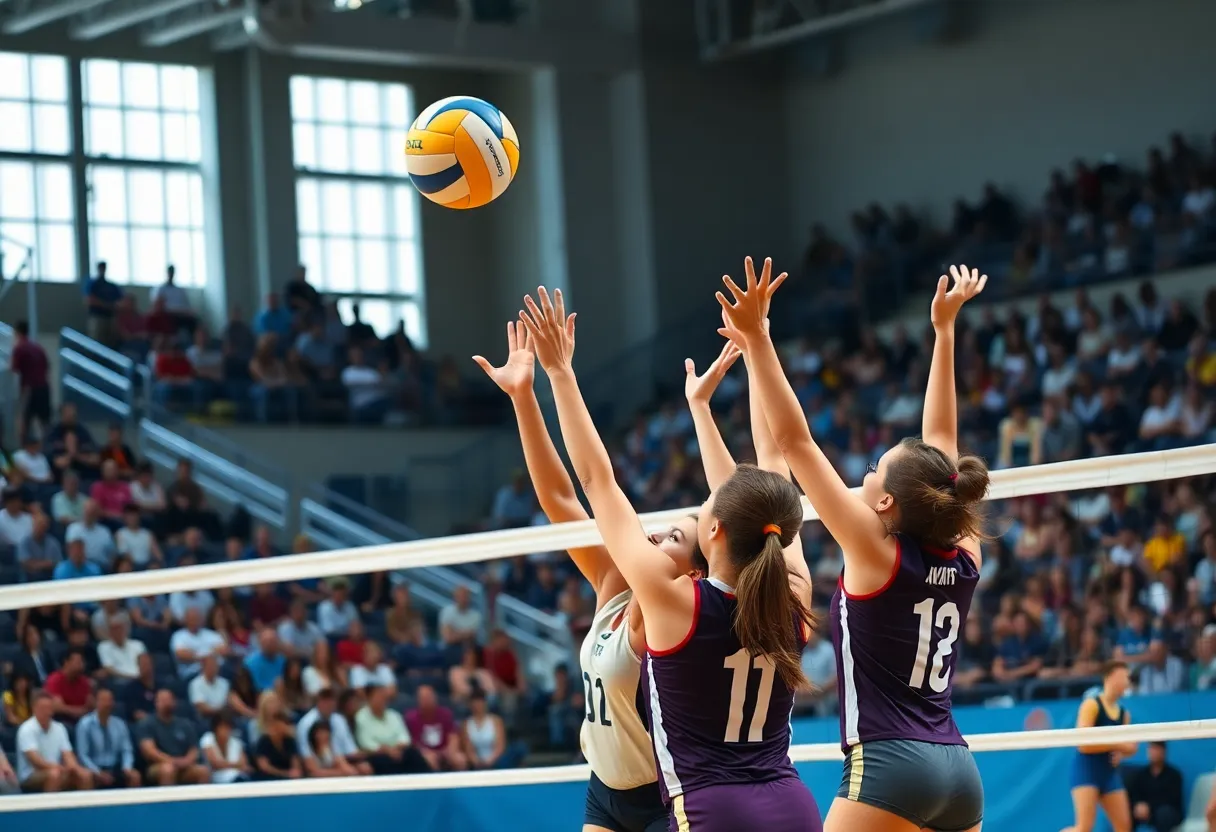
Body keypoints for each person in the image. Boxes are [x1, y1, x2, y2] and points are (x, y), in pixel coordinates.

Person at [521, 287, 820, 831]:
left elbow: (596, 480)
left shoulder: (670, 601)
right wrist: (758, 344)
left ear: (713, 536)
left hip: (713, 809)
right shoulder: (793, 591)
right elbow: (776, 463)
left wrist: (559, 371)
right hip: (789, 802)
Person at [717, 260, 989, 832]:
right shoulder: (965, 549)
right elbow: (942, 449)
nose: (865, 473)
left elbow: (793, 441)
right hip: (959, 768)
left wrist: (760, 341)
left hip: (889, 764)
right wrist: (943, 333)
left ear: (887, 503)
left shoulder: (873, 550)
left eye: (873, 469)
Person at [477, 318, 730, 832]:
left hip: (666, 793)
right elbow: (560, 499)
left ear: (696, 574)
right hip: (604, 790)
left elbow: (597, 481)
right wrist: (524, 396)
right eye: (660, 532)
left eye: (674, 539)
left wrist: (560, 372)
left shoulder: (673, 611)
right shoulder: (617, 584)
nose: (656, 539)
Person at [1063, 661, 1137, 832]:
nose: (1128, 681)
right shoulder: (1091, 705)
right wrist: (1118, 745)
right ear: (1111, 677)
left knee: (1124, 826)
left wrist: (1120, 752)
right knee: (1084, 828)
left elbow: (1132, 747)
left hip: (1108, 773)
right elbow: (1083, 744)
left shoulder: (1124, 714)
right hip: (1086, 770)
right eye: (1124, 677)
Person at [16, 692, 94, 792]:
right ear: (34, 709)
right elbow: (35, 760)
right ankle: (49, 807)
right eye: (43, 708)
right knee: (54, 774)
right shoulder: (26, 729)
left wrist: (75, 768)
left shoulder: (59, 728)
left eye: (49, 708)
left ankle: (84, 807)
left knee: (85, 775)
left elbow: (67, 754)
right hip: (31, 774)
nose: (47, 711)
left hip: (57, 769)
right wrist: (57, 767)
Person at [74, 688, 141, 789]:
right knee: (86, 777)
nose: (107, 704)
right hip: (94, 769)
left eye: (110, 700)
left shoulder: (119, 724)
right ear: (96, 702)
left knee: (135, 776)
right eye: (103, 700)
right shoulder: (85, 724)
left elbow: (126, 750)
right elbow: (83, 756)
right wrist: (97, 772)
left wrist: (127, 767)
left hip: (116, 768)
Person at [1126, 741, 1183, 832]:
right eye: (1151, 749)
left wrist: (1150, 808)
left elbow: (1172, 799)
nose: (1153, 752)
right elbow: (1135, 794)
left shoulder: (1174, 775)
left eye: (1156, 749)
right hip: (1144, 814)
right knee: (1126, 813)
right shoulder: (1141, 775)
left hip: (1166, 813)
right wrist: (1137, 806)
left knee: (1164, 813)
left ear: (1163, 752)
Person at [462, 690, 525, 770]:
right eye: (475, 702)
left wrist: (490, 761)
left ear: (485, 703)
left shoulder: (496, 721)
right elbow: (468, 749)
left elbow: (500, 746)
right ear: (470, 704)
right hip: (478, 762)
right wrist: (476, 761)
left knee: (517, 748)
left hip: (496, 760)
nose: (478, 705)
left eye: (480, 702)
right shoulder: (466, 724)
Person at [200, 711, 253, 784]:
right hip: (215, 778)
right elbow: (215, 764)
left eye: (228, 727)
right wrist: (236, 765)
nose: (226, 730)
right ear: (215, 727)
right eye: (222, 727)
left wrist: (226, 765)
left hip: (237, 776)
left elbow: (244, 763)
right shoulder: (208, 739)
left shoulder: (236, 742)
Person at [253, 708, 302, 780]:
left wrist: (294, 772)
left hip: (287, 778)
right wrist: (285, 774)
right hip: (267, 778)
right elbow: (264, 766)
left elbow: (295, 763)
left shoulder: (289, 740)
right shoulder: (263, 741)